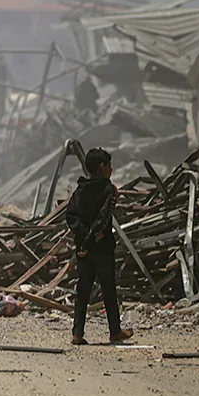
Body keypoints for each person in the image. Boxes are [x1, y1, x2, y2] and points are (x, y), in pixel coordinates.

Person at [65, 147, 134, 345]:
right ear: (102, 167)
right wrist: (91, 238)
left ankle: (77, 333)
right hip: (101, 247)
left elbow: (71, 216)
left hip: (83, 249)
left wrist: (83, 239)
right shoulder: (108, 189)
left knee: (83, 290)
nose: (111, 170)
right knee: (108, 289)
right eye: (109, 166)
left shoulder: (80, 190)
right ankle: (115, 331)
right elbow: (103, 218)